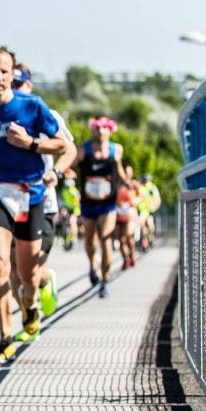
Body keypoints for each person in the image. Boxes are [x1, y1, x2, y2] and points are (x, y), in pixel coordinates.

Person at [0, 47, 69, 363]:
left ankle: (31, 304)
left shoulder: (32, 106)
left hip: (31, 193)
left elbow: (63, 145)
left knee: (28, 272)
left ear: (12, 74)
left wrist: (32, 144)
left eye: (4, 71)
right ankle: (5, 336)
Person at [8, 62, 76, 328]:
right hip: (10, 203)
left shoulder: (46, 114)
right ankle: (29, 320)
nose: (15, 90)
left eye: (19, 85)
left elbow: (69, 150)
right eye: (11, 86)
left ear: (30, 86)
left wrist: (56, 173)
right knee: (13, 270)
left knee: (31, 270)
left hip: (42, 203)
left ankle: (45, 282)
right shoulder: (1, 116)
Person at [73, 116, 128, 298]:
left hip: (108, 203)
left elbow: (119, 170)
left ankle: (105, 280)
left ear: (110, 131)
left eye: (105, 129)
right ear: (93, 130)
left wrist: (128, 182)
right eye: (98, 128)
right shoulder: (83, 149)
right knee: (90, 242)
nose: (101, 132)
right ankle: (92, 265)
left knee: (105, 238)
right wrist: (67, 175)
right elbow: (72, 167)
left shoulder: (116, 150)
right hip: (88, 203)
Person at [115, 167, 138, 269]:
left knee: (128, 235)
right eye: (125, 172)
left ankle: (132, 254)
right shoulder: (117, 184)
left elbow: (141, 196)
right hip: (118, 214)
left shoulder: (134, 185)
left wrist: (134, 202)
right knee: (121, 239)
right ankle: (125, 259)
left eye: (128, 173)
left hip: (130, 213)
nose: (126, 174)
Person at [137, 173, 161, 250]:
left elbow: (157, 198)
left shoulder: (152, 188)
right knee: (142, 225)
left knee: (151, 227)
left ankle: (150, 240)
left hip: (150, 209)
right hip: (142, 209)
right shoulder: (140, 187)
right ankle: (144, 241)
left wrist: (155, 207)